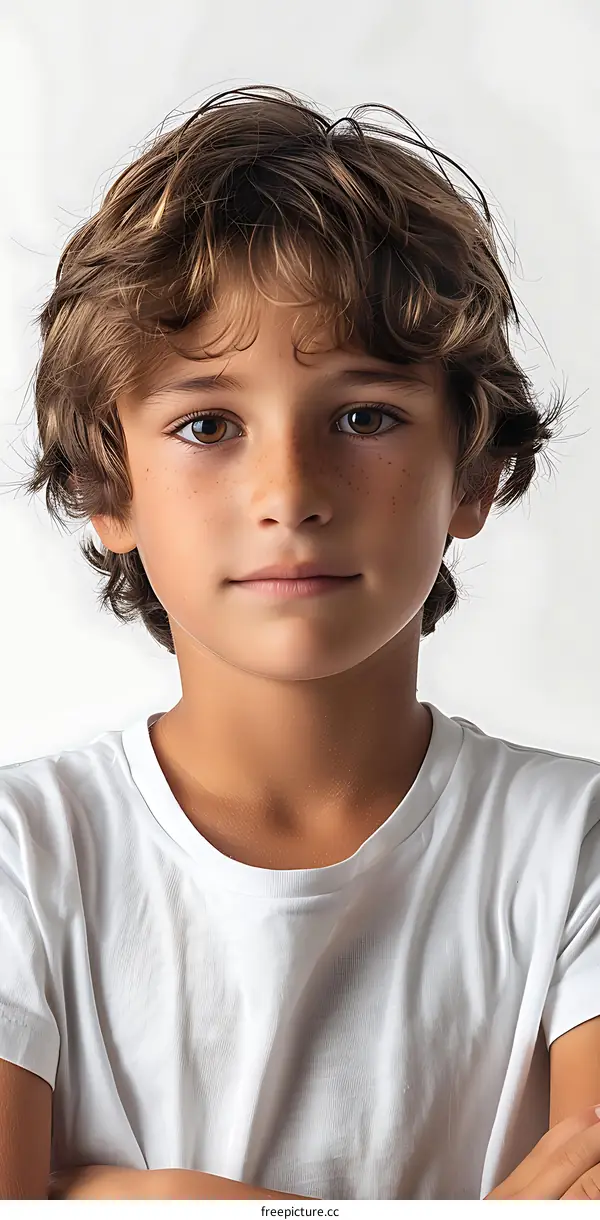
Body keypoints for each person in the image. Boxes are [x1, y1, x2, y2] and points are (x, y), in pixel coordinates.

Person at [1, 85, 599, 1202]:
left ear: (475, 471)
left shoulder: (575, 849)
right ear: (105, 485)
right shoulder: (22, 859)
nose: (289, 491)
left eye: (364, 416)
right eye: (207, 424)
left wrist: (136, 1199)